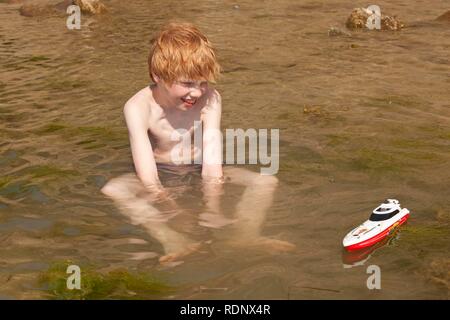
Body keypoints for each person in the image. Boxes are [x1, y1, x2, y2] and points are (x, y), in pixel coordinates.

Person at [101, 22, 293, 264]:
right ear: (157, 76)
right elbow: (147, 176)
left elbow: (212, 162)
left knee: (265, 181)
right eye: (188, 84)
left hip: (197, 169)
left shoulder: (210, 98)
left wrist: (212, 209)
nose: (197, 93)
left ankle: (245, 235)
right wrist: (172, 208)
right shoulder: (138, 107)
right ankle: (171, 239)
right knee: (114, 189)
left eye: (202, 83)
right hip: (160, 172)